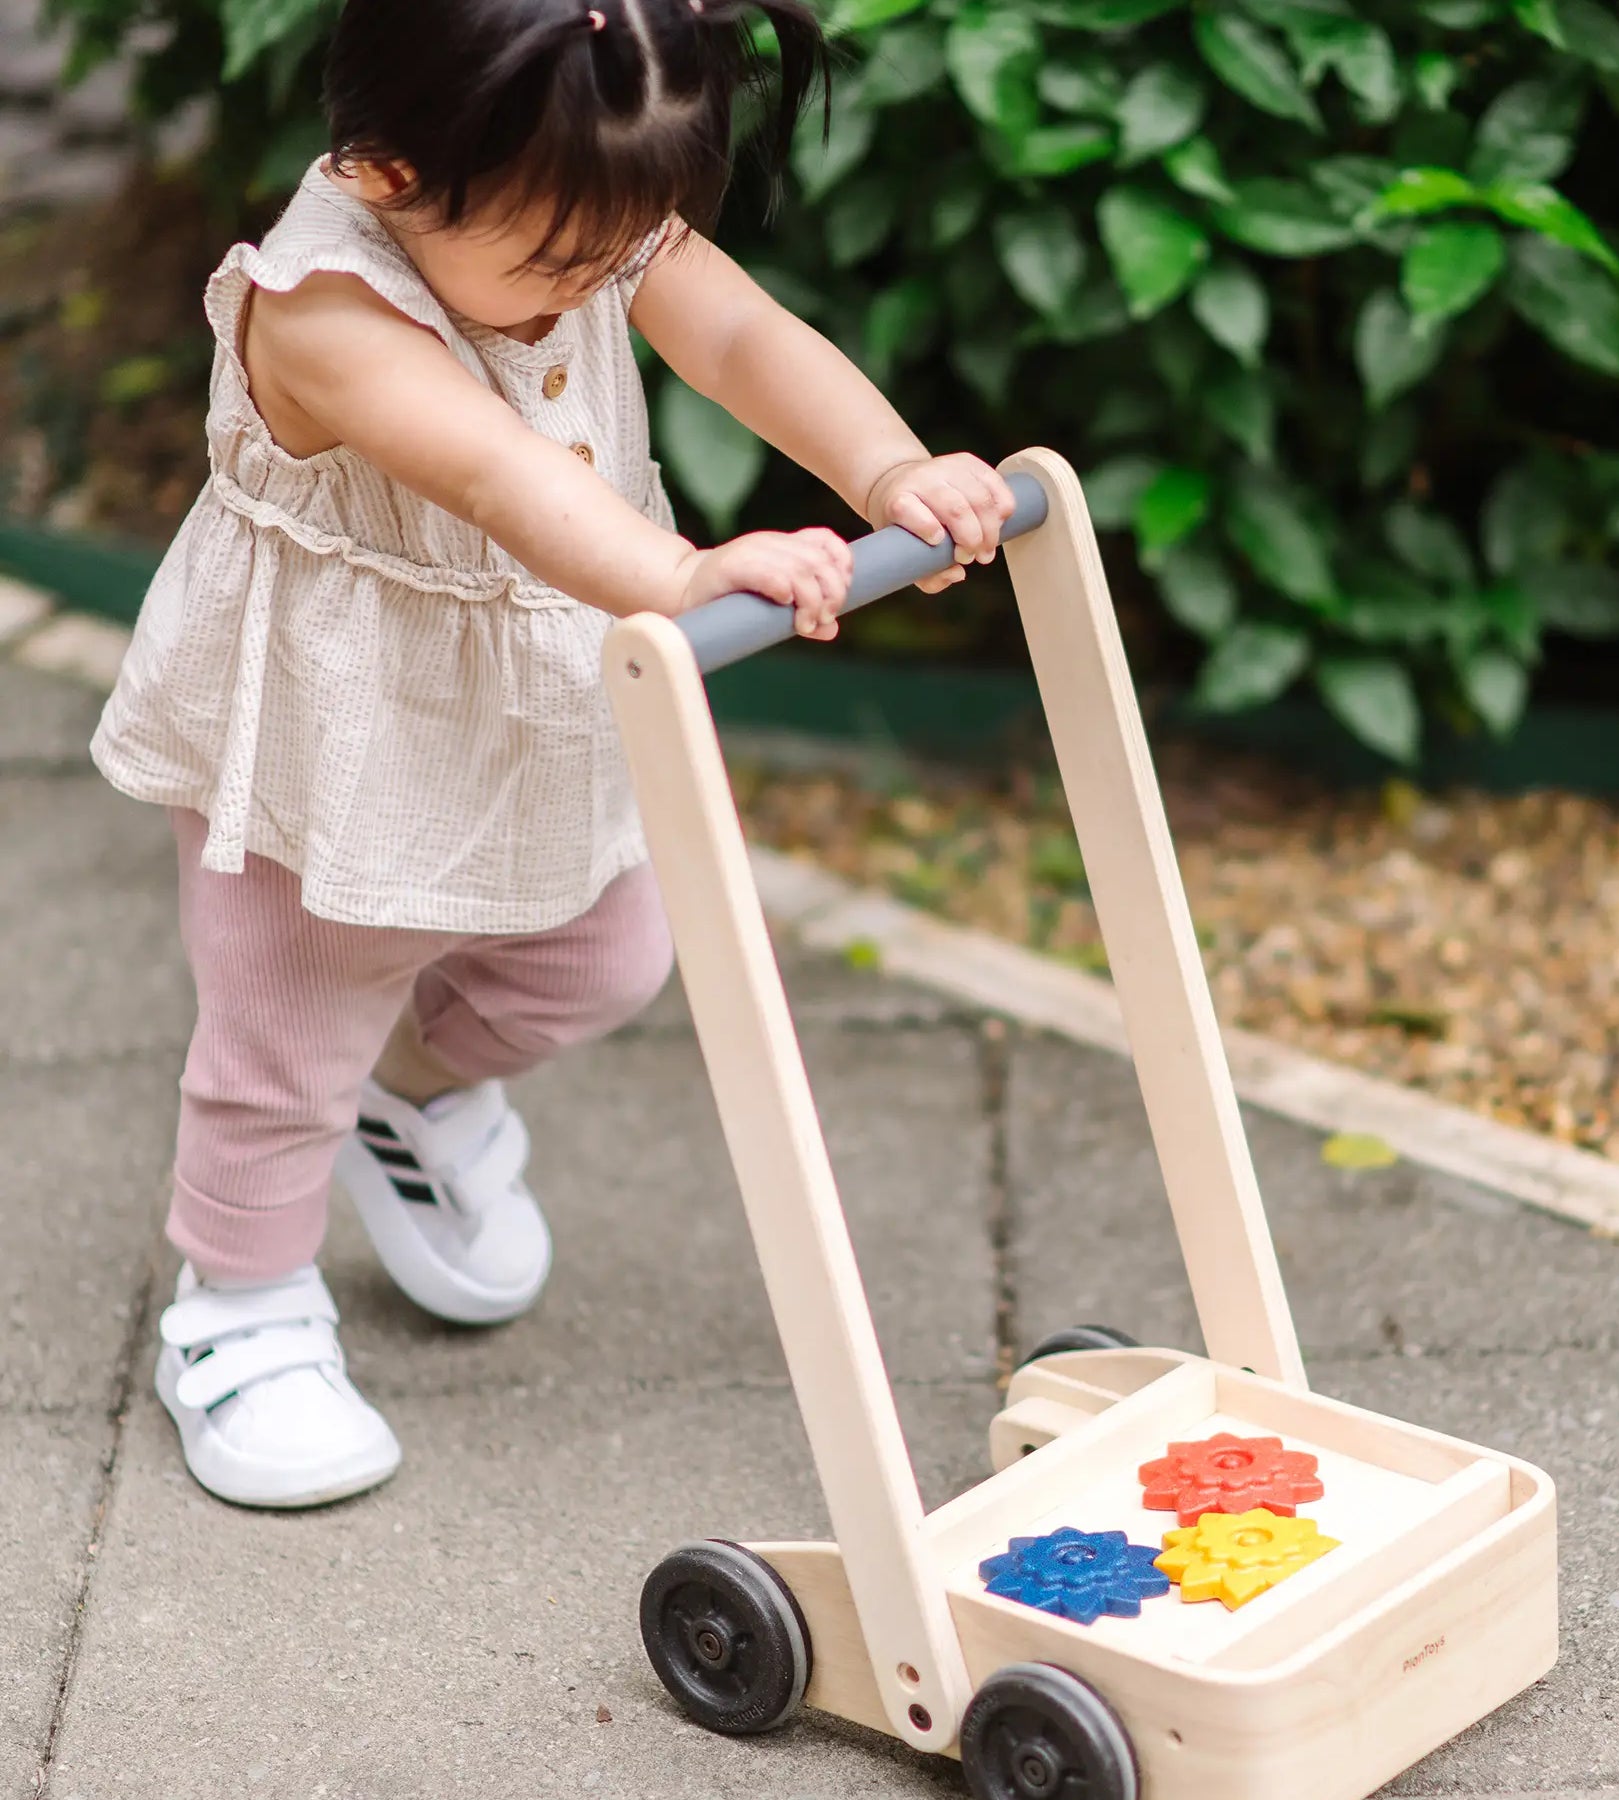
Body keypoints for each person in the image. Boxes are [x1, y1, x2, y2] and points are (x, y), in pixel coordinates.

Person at [92, 0, 1014, 1511]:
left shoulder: (572, 197)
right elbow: (493, 467)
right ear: (389, 171)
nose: (591, 285)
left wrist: (892, 467)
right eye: (557, 264)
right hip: (344, 722)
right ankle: (237, 1312)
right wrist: (677, 574)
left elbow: (734, 330)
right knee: (287, 1031)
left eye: (623, 246)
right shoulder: (321, 304)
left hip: (529, 678)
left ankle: (409, 1095)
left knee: (600, 957)